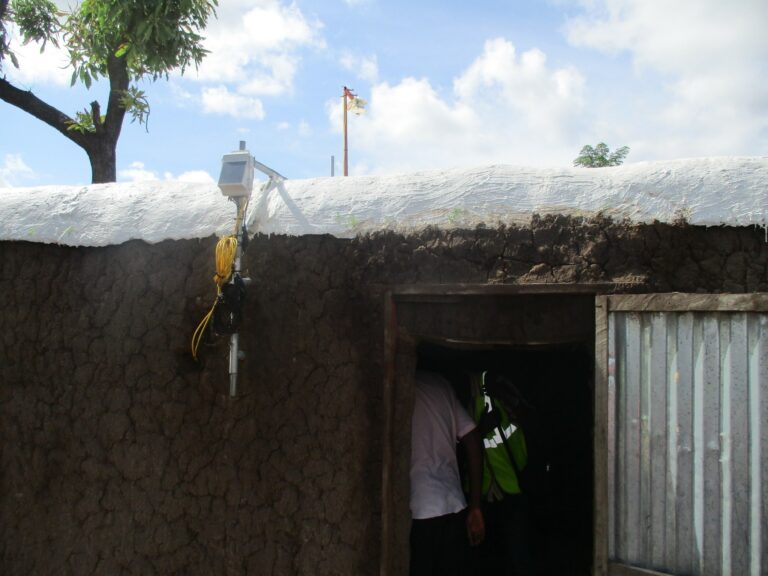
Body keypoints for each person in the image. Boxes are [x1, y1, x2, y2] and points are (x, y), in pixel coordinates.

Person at [410, 369, 486, 576]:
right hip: (454, 504)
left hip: (419, 509)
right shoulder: (441, 384)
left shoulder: (398, 384)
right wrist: (476, 505)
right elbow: (472, 437)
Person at [470, 370, 534, 576]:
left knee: (517, 556)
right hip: (483, 493)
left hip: (512, 485)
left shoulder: (502, 386)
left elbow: (529, 415)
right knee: (489, 557)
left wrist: (510, 405)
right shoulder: (466, 399)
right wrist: (481, 429)